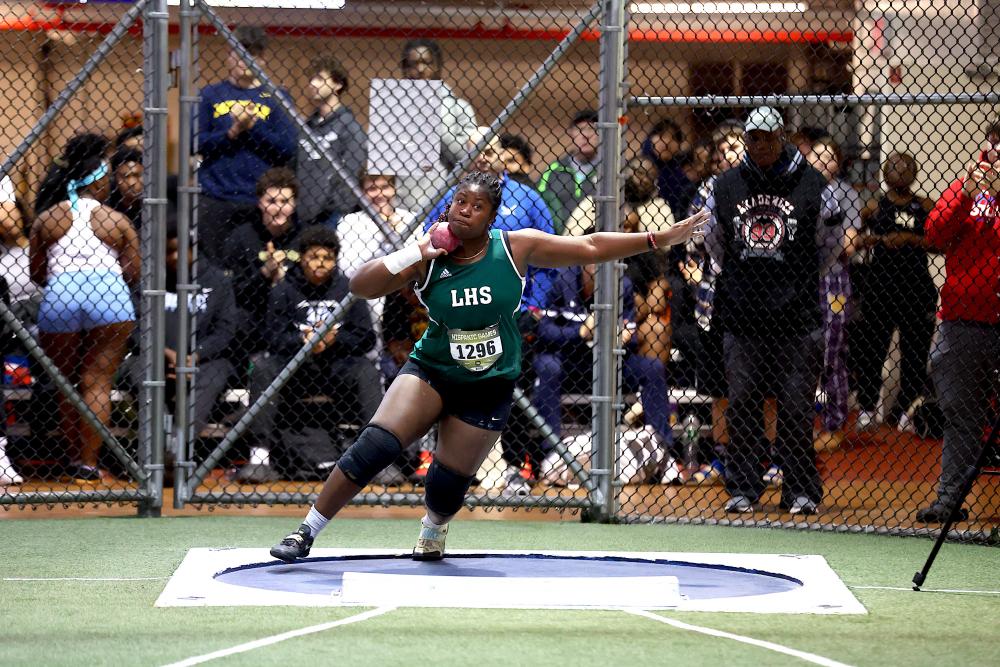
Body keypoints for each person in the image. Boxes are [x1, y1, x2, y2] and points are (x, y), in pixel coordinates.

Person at [268, 171, 707, 562]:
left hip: (489, 382)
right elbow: (361, 286)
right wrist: (415, 250)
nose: (466, 211)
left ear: (492, 217)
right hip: (433, 369)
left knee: (447, 487)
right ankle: (306, 530)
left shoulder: (514, 248)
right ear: (449, 205)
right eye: (461, 202)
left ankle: (433, 529)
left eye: (478, 207)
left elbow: (590, 245)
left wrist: (657, 240)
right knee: (375, 445)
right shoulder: (429, 256)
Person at [704, 107, 849, 515]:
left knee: (796, 407)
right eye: (754, 138)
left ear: (782, 137)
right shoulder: (726, 185)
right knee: (744, 403)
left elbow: (831, 243)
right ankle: (744, 489)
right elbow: (715, 243)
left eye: (769, 137)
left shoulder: (813, 183)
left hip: (797, 317)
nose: (761, 144)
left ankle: (800, 489)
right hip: (742, 315)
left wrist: (797, 277)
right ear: (747, 140)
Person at [29, 132, 140, 482]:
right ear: (100, 182)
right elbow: (133, 273)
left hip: (61, 293)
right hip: (109, 294)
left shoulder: (47, 219)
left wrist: (68, 278)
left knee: (66, 382)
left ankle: (73, 458)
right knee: (97, 383)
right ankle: (89, 466)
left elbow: (37, 272)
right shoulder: (117, 221)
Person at [237, 226, 380, 483]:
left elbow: (366, 338)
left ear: (335, 259)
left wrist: (335, 339)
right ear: (302, 258)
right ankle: (259, 457)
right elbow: (272, 336)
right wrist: (303, 341)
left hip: (336, 366)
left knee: (367, 371)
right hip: (296, 369)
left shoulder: (349, 288)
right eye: (314, 257)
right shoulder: (284, 289)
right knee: (263, 368)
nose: (320, 264)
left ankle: (376, 458)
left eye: (327, 258)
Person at [916, 139, 1000, 523]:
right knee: (961, 413)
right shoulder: (967, 186)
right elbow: (934, 233)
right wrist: (964, 194)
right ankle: (950, 500)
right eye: (992, 149)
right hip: (963, 321)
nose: (994, 158)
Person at [120, 214, 237, 438]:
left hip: (204, 361)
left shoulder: (216, 280)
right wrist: (163, 353)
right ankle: (160, 439)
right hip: (153, 358)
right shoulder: (148, 279)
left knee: (216, 374)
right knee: (141, 371)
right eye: (168, 251)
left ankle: (180, 442)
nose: (175, 257)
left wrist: (195, 356)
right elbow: (133, 326)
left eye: (180, 250)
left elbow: (225, 329)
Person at [852, 152, 937, 432]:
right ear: (885, 172)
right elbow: (854, 240)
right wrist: (875, 239)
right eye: (894, 166)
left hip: (916, 289)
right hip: (880, 289)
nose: (900, 171)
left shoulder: (925, 206)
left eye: (906, 166)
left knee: (914, 353)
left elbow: (942, 244)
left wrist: (910, 239)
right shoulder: (874, 207)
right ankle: (867, 407)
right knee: (872, 350)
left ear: (915, 172)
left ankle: (906, 410)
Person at [196, 25, 296, 259]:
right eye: (239, 53)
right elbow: (195, 143)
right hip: (216, 197)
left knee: (255, 266)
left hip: (261, 200)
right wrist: (231, 133)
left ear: (262, 60)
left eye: (252, 54)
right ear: (228, 56)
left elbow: (287, 147)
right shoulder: (209, 95)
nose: (244, 60)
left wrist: (252, 128)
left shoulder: (277, 96)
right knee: (215, 263)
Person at [806, 137, 863, 449]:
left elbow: (849, 243)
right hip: (803, 280)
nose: (823, 162)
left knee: (831, 352)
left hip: (833, 280)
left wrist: (822, 244)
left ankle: (835, 424)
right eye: (818, 155)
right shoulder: (801, 187)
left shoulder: (846, 194)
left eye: (830, 157)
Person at [222, 167, 302, 363]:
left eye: (285, 201)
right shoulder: (241, 237)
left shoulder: (305, 236)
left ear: (295, 203)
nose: (278, 208)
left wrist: (284, 281)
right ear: (260, 203)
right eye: (271, 201)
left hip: (294, 310)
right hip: (254, 311)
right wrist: (265, 273)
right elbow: (233, 291)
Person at [394, 39, 478, 214]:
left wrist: (437, 123)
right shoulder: (392, 107)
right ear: (404, 68)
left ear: (438, 66)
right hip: (399, 207)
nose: (420, 70)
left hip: (443, 205)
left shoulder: (457, 107)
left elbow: (469, 158)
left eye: (427, 63)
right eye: (413, 64)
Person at [296, 55, 366, 229]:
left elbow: (353, 171)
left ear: (338, 84)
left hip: (333, 216)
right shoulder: (307, 126)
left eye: (320, 78)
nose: (312, 84)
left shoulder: (349, 127)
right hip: (304, 214)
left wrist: (335, 208)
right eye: (311, 79)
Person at [537, 109, 599, 234]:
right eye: (580, 129)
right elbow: (538, 204)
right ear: (571, 133)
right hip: (557, 242)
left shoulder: (608, 172)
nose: (585, 134)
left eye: (592, 129)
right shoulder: (553, 170)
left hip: (597, 242)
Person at [641, 118, 695, 222]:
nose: (667, 141)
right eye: (662, 136)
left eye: (674, 138)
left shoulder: (682, 181)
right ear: (650, 139)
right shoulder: (638, 169)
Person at [107, 146, 143, 229]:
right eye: (125, 177)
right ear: (115, 178)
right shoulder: (108, 205)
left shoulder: (154, 203)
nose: (132, 183)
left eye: (136, 175)